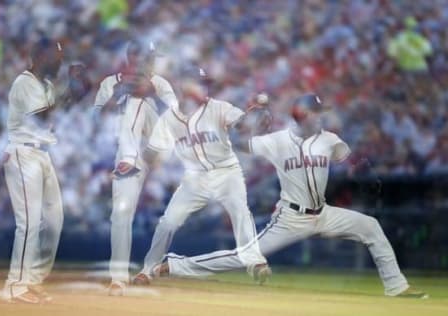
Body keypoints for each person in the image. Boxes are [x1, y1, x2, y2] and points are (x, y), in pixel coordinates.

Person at [158, 94, 428, 298]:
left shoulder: (329, 139)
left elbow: (348, 157)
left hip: (323, 214)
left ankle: (396, 286)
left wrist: (361, 169)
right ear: (302, 114)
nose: (321, 117)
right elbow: (240, 144)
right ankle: (176, 265)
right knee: (244, 256)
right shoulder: (277, 141)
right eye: (316, 112)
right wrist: (245, 122)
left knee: (371, 226)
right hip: (290, 218)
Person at [131, 65, 269, 286]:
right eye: (199, 83)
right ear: (184, 87)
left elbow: (241, 124)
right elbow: (152, 152)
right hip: (195, 178)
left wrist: (254, 118)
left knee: (240, 211)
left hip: (226, 170)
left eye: (205, 84)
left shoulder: (218, 107)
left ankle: (256, 262)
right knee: (168, 223)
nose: (204, 88)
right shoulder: (169, 118)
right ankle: (148, 270)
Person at [93, 41, 177, 295]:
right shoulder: (110, 83)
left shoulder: (159, 83)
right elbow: (95, 119)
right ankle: (119, 277)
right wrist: (118, 94)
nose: (149, 63)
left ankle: (128, 158)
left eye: (151, 58)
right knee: (121, 214)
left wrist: (150, 93)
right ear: (131, 56)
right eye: (145, 57)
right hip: (129, 155)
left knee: (137, 101)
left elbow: (176, 116)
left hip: (160, 147)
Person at [2, 38, 66, 304]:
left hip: (43, 154)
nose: (60, 60)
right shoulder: (23, 82)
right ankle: (15, 285)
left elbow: (53, 114)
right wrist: (69, 92)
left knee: (54, 221)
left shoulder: (48, 86)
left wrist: (77, 91)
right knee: (28, 222)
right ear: (39, 56)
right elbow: (40, 116)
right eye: (56, 56)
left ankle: (33, 278)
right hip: (24, 152)